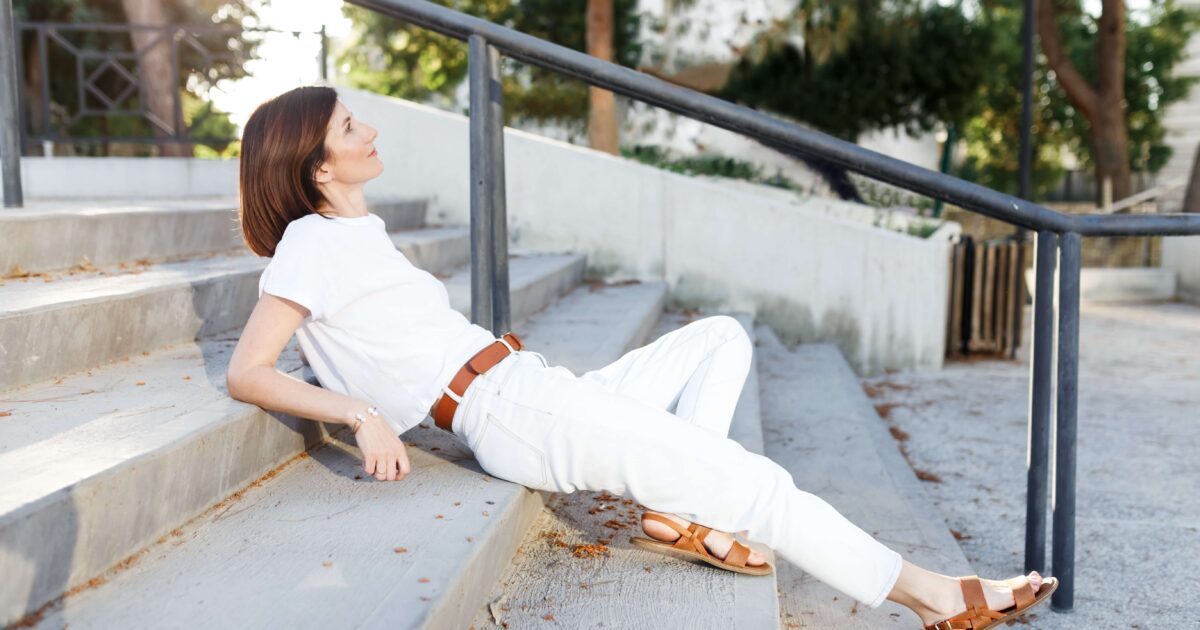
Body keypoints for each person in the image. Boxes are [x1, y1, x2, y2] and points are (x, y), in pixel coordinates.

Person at [226, 85, 1056, 629]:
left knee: (720, 337)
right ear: (315, 163)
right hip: (515, 412)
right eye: (347, 125)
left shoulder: (353, 233)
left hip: (534, 387)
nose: (367, 128)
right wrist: (360, 414)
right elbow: (249, 369)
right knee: (758, 486)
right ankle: (937, 597)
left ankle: (685, 513)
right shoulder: (309, 241)